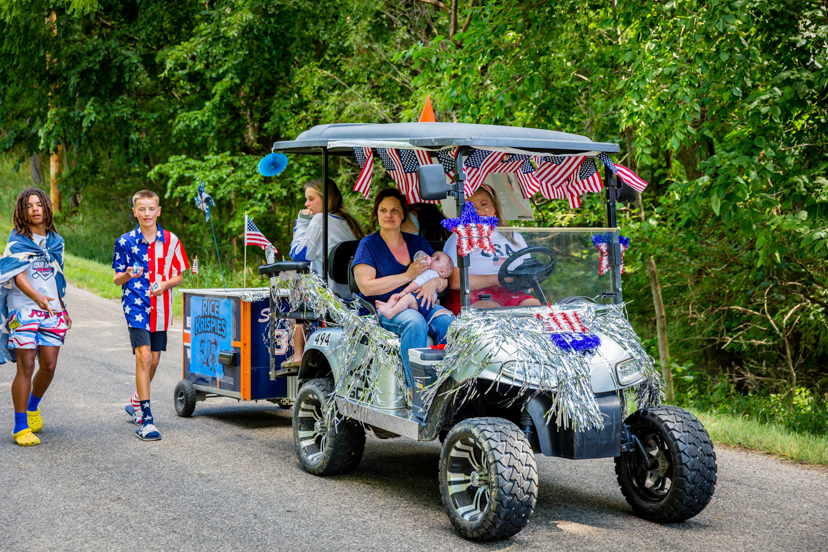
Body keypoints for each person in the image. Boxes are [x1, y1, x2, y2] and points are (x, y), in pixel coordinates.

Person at [352, 189, 454, 389]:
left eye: (394, 210)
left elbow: (443, 278)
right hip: (383, 308)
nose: (389, 215)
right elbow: (367, 287)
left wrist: (435, 283)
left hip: (422, 304)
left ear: (403, 215)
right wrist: (408, 276)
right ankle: (417, 391)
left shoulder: (418, 243)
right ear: (377, 214)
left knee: (448, 322)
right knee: (414, 322)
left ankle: (447, 386)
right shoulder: (368, 245)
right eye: (383, 210)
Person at [113, 190, 189, 441]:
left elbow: (179, 274)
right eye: (141, 209)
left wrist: (166, 284)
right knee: (144, 357)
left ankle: (136, 399)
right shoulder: (124, 242)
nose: (147, 214)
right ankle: (146, 419)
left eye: (151, 209)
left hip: (161, 306)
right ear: (134, 212)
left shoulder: (172, 241)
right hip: (135, 306)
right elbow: (116, 279)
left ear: (159, 211)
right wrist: (129, 275)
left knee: (154, 361)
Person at [0, 188, 71, 446]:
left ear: (47, 208)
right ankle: (20, 427)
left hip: (51, 309)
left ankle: (33, 408)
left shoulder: (56, 241)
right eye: (29, 205)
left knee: (49, 365)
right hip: (23, 307)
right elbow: (16, 275)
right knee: (26, 364)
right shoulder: (17, 240)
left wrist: (63, 308)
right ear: (22, 210)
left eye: (39, 204)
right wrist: (37, 298)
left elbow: (57, 277)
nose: (35, 209)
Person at [283, 179, 364, 369]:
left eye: (311, 199)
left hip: (328, 295)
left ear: (325, 199)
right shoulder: (349, 222)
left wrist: (302, 222)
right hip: (351, 294)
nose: (306, 204)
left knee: (297, 297)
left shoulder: (320, 220)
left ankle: (297, 354)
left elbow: (298, 255)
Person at [445, 185, 541, 314]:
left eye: (483, 204)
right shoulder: (459, 236)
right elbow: (456, 282)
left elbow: (527, 272)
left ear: (494, 207)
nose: (478, 210)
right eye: (471, 207)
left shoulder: (513, 236)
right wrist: (501, 279)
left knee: (537, 308)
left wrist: (527, 282)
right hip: (471, 297)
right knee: (493, 311)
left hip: (511, 295)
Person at [375, 251, 453, 320]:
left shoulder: (431, 273)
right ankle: (388, 305)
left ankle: (391, 312)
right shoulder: (427, 271)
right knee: (396, 296)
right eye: (432, 256)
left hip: (423, 303)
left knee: (406, 298)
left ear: (442, 272)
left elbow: (416, 284)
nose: (431, 258)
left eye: (437, 259)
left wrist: (404, 291)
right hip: (417, 299)